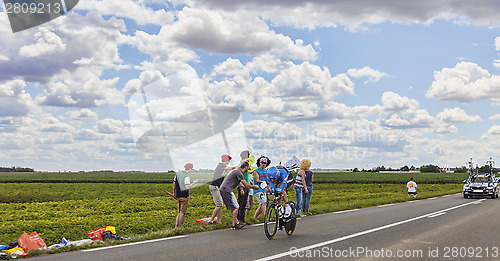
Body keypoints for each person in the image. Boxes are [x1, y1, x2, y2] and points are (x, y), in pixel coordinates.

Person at [219, 162, 259, 229]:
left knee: (233, 207)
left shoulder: (236, 171)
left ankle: (236, 222)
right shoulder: (239, 173)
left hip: (224, 189)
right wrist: (254, 186)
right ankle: (234, 224)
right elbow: (246, 185)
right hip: (227, 190)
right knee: (236, 207)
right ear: (246, 167)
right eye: (248, 167)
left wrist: (244, 187)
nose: (248, 168)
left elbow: (239, 183)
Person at [208, 154, 235, 224]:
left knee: (220, 205)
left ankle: (219, 221)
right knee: (219, 205)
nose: (229, 161)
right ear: (226, 160)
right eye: (229, 160)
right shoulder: (221, 165)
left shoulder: (223, 168)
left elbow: (229, 172)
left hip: (218, 187)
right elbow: (228, 169)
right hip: (214, 186)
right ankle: (211, 220)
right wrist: (237, 167)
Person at [173, 163, 199, 228]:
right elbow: (187, 187)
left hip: (178, 195)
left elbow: (174, 185)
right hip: (184, 196)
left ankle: (176, 226)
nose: (191, 170)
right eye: (192, 169)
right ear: (190, 169)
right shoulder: (186, 176)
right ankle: (180, 227)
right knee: (182, 212)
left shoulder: (177, 174)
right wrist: (194, 183)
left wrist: (174, 193)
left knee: (179, 212)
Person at [252, 156, 271, 222]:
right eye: (262, 163)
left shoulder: (266, 171)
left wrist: (269, 187)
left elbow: (267, 181)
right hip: (258, 189)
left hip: (263, 189)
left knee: (262, 204)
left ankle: (255, 217)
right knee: (264, 203)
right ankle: (266, 217)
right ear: (260, 163)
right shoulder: (256, 171)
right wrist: (263, 182)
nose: (263, 164)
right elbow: (257, 180)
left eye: (264, 163)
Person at [236, 150, 251, 225]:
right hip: (242, 186)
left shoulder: (245, 164)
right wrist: (241, 188)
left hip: (246, 186)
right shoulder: (241, 165)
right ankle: (239, 220)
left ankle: (242, 219)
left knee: (244, 203)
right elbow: (239, 178)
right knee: (241, 203)